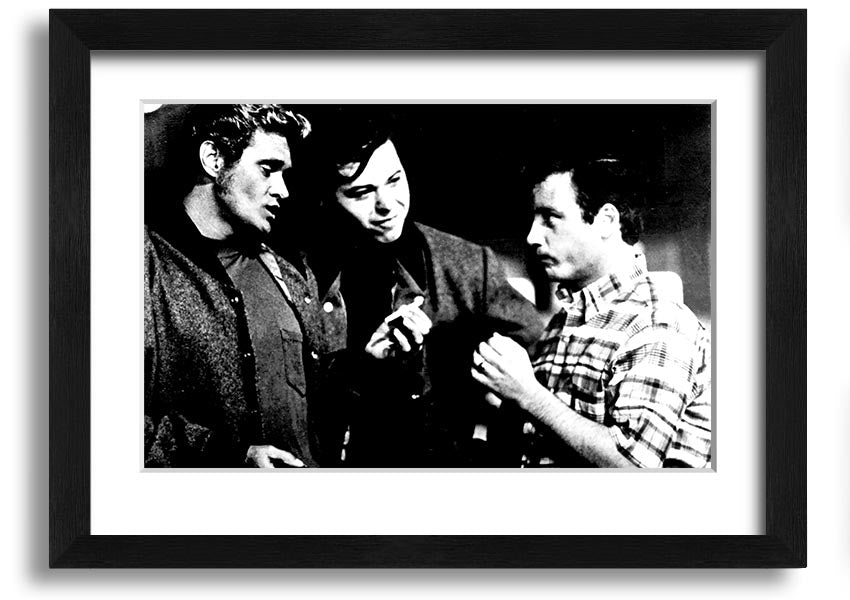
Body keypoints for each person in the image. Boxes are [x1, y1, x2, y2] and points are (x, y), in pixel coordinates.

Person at [303, 111, 544, 467]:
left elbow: (540, 351)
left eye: (394, 180)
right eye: (362, 193)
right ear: (326, 199)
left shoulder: (467, 263)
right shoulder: (296, 273)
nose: (387, 205)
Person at [471, 158, 711, 468]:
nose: (532, 237)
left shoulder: (656, 322)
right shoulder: (565, 321)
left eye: (550, 218)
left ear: (606, 220)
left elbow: (634, 467)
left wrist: (528, 394)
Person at [144, 104, 347, 468]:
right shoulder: (146, 263)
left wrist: (371, 365)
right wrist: (230, 457)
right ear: (214, 159)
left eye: (284, 174)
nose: (283, 191)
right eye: (268, 169)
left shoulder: (291, 272)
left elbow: (318, 413)